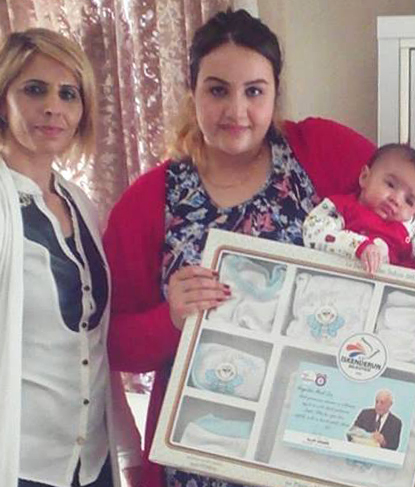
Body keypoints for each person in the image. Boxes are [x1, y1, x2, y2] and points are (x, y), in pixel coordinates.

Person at [102, 9, 376, 487]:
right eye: (217, 90)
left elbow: (405, 212)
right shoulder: (148, 201)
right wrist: (170, 318)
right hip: (200, 455)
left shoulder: (323, 152)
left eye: (254, 91)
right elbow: (114, 345)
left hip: (315, 440)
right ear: (192, 92)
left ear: (275, 93)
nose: (236, 111)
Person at [0, 28, 144, 487]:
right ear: (2, 101)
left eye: (68, 94)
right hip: (12, 470)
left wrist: (129, 453)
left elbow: (95, 350)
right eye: (35, 90)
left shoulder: (81, 205)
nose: (53, 107)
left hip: (93, 468)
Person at [303, 143, 415, 275]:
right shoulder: (342, 207)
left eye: (409, 201)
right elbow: (314, 231)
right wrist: (358, 246)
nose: (396, 200)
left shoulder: (413, 226)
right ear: (365, 177)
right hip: (344, 278)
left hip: (393, 290)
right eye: (390, 185)